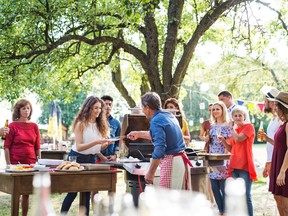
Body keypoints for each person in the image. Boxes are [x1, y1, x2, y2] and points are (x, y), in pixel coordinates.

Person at [61, 96, 114, 216]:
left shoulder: (99, 124)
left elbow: (96, 149)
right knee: (73, 192)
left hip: (90, 159)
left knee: (87, 191)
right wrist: (96, 142)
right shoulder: (81, 124)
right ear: (88, 108)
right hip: (76, 158)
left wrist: (105, 144)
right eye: (95, 108)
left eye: (100, 108)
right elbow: (79, 146)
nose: (98, 111)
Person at [127, 92, 192, 189]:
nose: (143, 111)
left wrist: (150, 173)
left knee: (166, 201)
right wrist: (138, 134)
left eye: (143, 107)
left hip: (171, 162)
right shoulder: (167, 115)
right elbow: (161, 136)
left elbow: (160, 147)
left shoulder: (156, 120)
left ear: (147, 107)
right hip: (180, 161)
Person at [4, 99, 41, 216]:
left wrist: (39, 162)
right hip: (16, 164)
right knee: (17, 192)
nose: (26, 111)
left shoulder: (34, 126)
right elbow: (6, 147)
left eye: (28, 108)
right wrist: (8, 164)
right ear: (18, 110)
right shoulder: (12, 126)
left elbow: (37, 147)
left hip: (31, 164)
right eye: (24, 108)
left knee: (27, 193)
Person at [218, 106, 257, 216]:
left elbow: (239, 138)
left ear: (244, 117)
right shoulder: (235, 131)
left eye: (240, 115)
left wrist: (231, 128)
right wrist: (223, 141)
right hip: (234, 166)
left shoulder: (249, 127)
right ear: (232, 118)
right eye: (235, 116)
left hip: (245, 166)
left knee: (246, 196)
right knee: (237, 196)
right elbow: (231, 149)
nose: (238, 117)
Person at [207, 101, 231, 215]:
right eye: (213, 109)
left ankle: (226, 211)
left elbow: (230, 144)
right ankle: (221, 211)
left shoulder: (227, 125)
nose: (215, 111)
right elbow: (211, 142)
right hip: (212, 158)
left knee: (223, 188)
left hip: (222, 158)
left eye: (217, 109)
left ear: (223, 110)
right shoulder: (212, 125)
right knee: (214, 187)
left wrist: (226, 161)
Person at [267, 92, 288, 215]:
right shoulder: (283, 124)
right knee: (278, 200)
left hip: (284, 168)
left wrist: (282, 172)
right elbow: (280, 145)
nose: (274, 108)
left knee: (286, 206)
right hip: (277, 165)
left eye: (276, 105)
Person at [260, 87, 280, 178]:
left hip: (278, 160)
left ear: (271, 102)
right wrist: (267, 163)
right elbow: (270, 145)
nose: (264, 104)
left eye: (265, 101)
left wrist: (267, 138)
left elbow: (281, 144)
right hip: (271, 160)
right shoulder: (272, 120)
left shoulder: (280, 120)